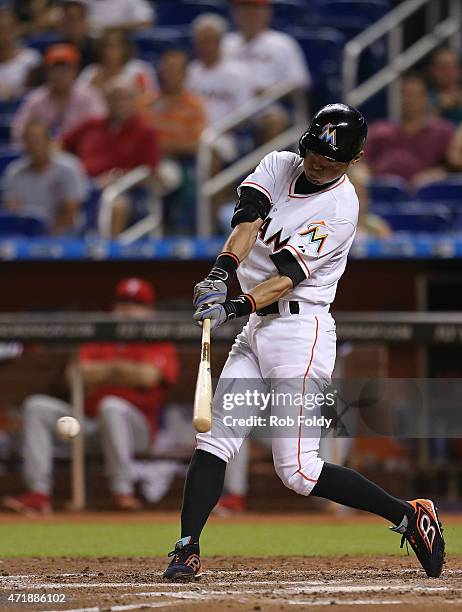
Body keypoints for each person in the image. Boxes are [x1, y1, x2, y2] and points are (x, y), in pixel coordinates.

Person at [162, 103, 445, 581]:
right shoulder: (278, 165)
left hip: (301, 331)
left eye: (332, 159)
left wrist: (231, 307)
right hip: (256, 328)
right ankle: (187, 547)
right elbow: (248, 224)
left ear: (353, 160)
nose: (318, 162)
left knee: (298, 470)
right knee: (214, 440)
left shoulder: (341, 208)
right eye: (315, 150)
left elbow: (287, 279)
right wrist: (220, 274)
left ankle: (408, 515)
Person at [2, 278, 179, 514]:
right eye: (123, 302)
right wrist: (122, 371)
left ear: (150, 311)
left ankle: (122, 492)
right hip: (88, 425)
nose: (128, 310)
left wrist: (103, 372)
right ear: (113, 308)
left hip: (137, 431)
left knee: (111, 406)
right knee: (37, 407)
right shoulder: (99, 335)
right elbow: (74, 376)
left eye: (137, 304)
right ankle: (38, 494)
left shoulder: (158, 339)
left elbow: (148, 377)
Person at [62, 77, 161, 236]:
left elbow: (149, 173)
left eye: (125, 97)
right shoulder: (91, 125)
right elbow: (60, 145)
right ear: (106, 101)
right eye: (114, 97)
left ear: (135, 101)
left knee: (115, 204)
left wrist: (116, 177)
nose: (119, 102)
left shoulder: (145, 133)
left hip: (124, 190)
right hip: (84, 185)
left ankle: (107, 254)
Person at [223, 0, 310, 143]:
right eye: (244, 10)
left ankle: (264, 165)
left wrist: (268, 92)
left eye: (254, 10)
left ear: (267, 13)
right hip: (229, 103)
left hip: (266, 104)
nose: (249, 15)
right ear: (235, 14)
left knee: (274, 119)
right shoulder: (226, 43)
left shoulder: (282, 43)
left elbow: (299, 83)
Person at [144, 49, 207, 233]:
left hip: (178, 162)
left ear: (184, 74)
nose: (168, 73)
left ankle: (165, 229)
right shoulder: (148, 101)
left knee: (167, 176)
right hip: (146, 159)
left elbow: (195, 144)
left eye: (174, 69)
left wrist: (164, 146)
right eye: (166, 68)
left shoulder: (193, 105)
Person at [364, 74, 454, 187]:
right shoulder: (379, 130)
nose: (408, 100)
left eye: (413, 95)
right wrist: (363, 176)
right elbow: (361, 164)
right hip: (383, 194)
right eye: (403, 94)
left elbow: (454, 165)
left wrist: (442, 173)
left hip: (427, 197)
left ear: (424, 98)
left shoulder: (443, 131)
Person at [3, 119, 87, 234]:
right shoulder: (14, 172)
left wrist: (47, 235)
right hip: (27, 236)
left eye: (38, 140)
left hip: (66, 235)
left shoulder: (69, 168)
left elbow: (71, 213)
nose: (34, 146)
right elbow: (13, 210)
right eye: (30, 141)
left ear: (49, 141)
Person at [12, 43, 106, 144]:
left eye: (66, 68)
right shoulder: (37, 99)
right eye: (56, 69)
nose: (61, 74)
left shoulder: (89, 95)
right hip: (46, 155)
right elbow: (18, 132)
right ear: (47, 72)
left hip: (82, 151)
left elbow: (101, 128)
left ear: (76, 70)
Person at [187, 14, 252, 127]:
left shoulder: (238, 73)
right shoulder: (190, 71)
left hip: (226, 134)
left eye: (209, 40)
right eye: (201, 41)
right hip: (193, 134)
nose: (205, 46)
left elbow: (245, 113)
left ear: (219, 41)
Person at [78, 27, 157, 95]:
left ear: (125, 48)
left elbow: (150, 96)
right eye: (106, 46)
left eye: (115, 46)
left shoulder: (140, 69)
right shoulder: (91, 72)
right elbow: (77, 98)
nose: (110, 51)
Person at [0, 6, 41, 100]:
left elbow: (38, 94)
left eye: (8, 30)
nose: (4, 35)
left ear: (16, 30)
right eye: (1, 31)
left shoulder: (31, 58)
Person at [427, 47, 462, 126]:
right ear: (433, 70)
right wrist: (440, 107)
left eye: (451, 67)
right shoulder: (424, 97)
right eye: (443, 68)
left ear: (459, 70)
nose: (447, 72)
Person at [58, 0, 98, 69]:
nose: (73, 24)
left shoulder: (98, 48)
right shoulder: (57, 49)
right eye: (69, 19)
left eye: (77, 18)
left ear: (85, 21)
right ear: (63, 22)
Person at [84, 0, 154, 33]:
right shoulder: (82, 2)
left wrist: (111, 28)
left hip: (121, 40)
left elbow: (146, 22)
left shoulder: (132, 1)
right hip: (85, 44)